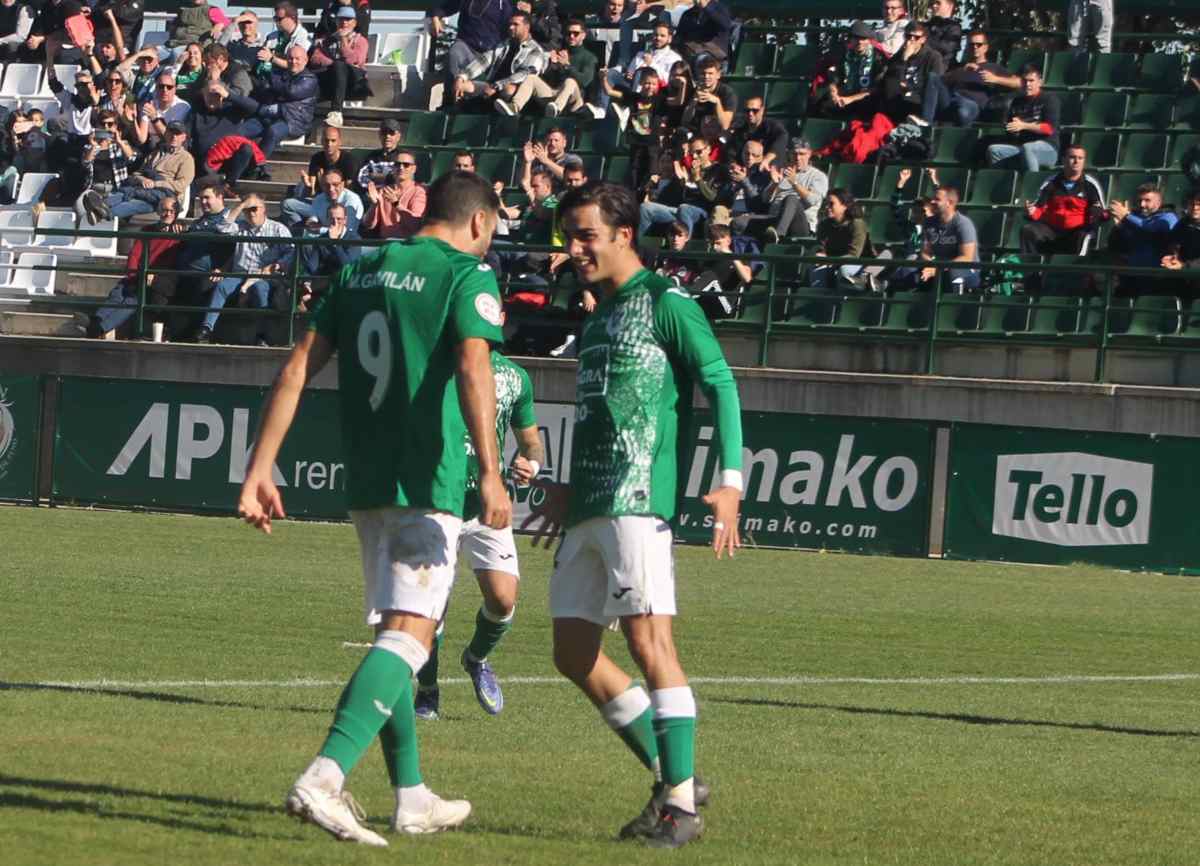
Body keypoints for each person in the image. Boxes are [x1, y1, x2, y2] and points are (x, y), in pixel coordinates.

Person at [237, 170, 509, 846]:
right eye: (494, 232)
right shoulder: (465, 275)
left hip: (368, 485)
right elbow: (476, 369)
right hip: (429, 483)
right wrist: (493, 472)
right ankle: (325, 776)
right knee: (411, 637)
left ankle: (411, 795)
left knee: (399, 630)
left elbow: (298, 366)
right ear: (478, 223)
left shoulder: (358, 273)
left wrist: (260, 465)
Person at [532, 180, 742, 850]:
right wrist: (565, 487)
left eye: (587, 234)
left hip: (637, 497)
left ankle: (680, 808)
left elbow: (721, 383)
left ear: (625, 233)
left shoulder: (665, 302)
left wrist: (729, 481)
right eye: (570, 235)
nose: (575, 248)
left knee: (650, 647)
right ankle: (670, 775)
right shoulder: (598, 315)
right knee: (573, 653)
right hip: (590, 502)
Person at [414, 349, 543, 720]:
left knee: (503, 600)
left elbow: (531, 440)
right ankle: (427, 692)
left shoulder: (514, 376)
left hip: (489, 502)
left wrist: (530, 462)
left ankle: (476, 658)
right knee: (432, 607)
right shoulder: (435, 364)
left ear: (501, 320)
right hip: (439, 501)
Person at [196, 193, 293, 345]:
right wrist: (241, 206)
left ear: (264, 209)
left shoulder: (278, 228)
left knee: (260, 289)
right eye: (248, 209)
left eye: (254, 208)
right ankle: (206, 328)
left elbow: (290, 252)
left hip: (263, 276)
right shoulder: (240, 225)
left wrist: (278, 265)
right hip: (239, 274)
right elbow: (222, 227)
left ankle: (261, 334)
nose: (251, 212)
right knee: (221, 286)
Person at [87, 195, 183, 340]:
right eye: (164, 210)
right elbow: (134, 255)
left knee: (132, 301)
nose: (168, 214)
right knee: (117, 293)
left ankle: (98, 328)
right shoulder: (147, 230)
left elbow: (171, 262)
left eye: (171, 211)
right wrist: (133, 276)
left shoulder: (179, 233)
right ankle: (96, 321)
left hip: (155, 282)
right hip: (137, 276)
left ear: (176, 213)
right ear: (158, 211)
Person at [1019, 145, 1107, 259]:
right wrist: (1031, 211)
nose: (1076, 161)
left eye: (1080, 158)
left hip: (1077, 231)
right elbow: (1039, 209)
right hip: (1052, 230)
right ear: (1064, 160)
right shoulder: (1051, 182)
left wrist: (1099, 213)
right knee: (1028, 231)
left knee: (1083, 236)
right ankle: (1032, 272)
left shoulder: (1090, 185)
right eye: (1072, 157)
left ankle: (1074, 274)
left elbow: (1103, 213)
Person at [496, 15, 591, 117]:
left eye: (575, 34)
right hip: (553, 97)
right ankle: (514, 107)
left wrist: (567, 66)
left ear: (583, 35)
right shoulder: (559, 51)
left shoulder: (589, 57)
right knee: (531, 77)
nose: (571, 36)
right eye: (568, 33)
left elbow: (585, 81)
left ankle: (556, 108)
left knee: (570, 81)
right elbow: (548, 78)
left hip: (574, 101)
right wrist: (551, 64)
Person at [455, 11, 546, 112]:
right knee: (462, 86)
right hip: (491, 85)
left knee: (508, 90)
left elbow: (525, 73)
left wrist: (497, 86)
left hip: (512, 89)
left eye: (516, 24)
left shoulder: (535, 50)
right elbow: (483, 61)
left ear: (527, 27)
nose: (511, 27)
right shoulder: (503, 45)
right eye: (510, 24)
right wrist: (462, 77)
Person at [638, 136, 724, 239]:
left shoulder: (718, 170)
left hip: (702, 211)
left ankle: (683, 249)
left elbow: (713, 198)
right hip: (680, 210)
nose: (695, 156)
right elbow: (673, 199)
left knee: (684, 208)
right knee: (645, 208)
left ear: (708, 149)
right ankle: (638, 247)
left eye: (699, 152)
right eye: (692, 153)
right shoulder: (687, 170)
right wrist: (679, 183)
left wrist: (698, 180)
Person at [106, 121, 195, 219]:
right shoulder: (154, 154)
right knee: (122, 194)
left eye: (178, 134)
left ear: (184, 137)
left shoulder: (186, 158)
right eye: (171, 132)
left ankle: (103, 213)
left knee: (132, 203)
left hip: (164, 198)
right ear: (166, 134)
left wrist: (156, 183)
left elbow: (181, 185)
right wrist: (142, 180)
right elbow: (137, 173)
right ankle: (98, 207)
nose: (174, 136)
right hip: (143, 189)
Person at [428, 0, 513, 102]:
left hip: (490, 55)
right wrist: (435, 18)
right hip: (466, 46)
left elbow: (517, 23)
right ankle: (450, 100)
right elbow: (444, 7)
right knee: (454, 53)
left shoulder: (504, 5)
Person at [244, 44, 318, 157]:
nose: (293, 61)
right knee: (242, 130)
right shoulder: (282, 75)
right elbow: (270, 91)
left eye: (297, 58)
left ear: (306, 60)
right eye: (290, 58)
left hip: (294, 121)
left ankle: (256, 165)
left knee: (273, 132)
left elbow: (291, 92)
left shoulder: (309, 79)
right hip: (272, 116)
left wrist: (273, 80)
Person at [985, 65, 1060, 173]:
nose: (1028, 84)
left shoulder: (1049, 99)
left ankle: (1032, 185)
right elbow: (1013, 130)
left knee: (1028, 148)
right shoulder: (1016, 101)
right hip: (1022, 147)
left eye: (1031, 81)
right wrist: (1011, 128)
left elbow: (1049, 129)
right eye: (1025, 81)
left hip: (1047, 148)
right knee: (994, 150)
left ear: (1040, 82)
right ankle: (1004, 186)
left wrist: (1024, 125)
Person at [936, 30, 1020, 127]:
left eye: (978, 44)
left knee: (962, 110)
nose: (975, 47)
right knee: (932, 78)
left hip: (972, 105)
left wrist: (995, 79)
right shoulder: (959, 67)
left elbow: (1019, 82)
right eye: (971, 45)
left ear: (985, 47)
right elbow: (939, 82)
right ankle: (926, 124)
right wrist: (961, 71)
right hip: (950, 100)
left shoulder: (993, 68)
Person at [308, 5, 371, 127]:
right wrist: (334, 64)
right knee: (316, 72)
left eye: (348, 19)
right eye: (341, 19)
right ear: (336, 21)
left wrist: (343, 41)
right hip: (331, 80)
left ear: (354, 23)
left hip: (354, 82)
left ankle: (336, 112)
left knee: (340, 66)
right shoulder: (327, 39)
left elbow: (354, 60)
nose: (344, 22)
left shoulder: (361, 40)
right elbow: (315, 58)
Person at [813, 20, 887, 120]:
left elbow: (877, 88)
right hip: (845, 95)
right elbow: (835, 79)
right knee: (819, 104)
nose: (860, 42)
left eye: (863, 38)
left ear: (869, 40)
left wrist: (850, 99)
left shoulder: (879, 58)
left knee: (868, 107)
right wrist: (833, 93)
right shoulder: (844, 55)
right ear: (850, 39)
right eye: (856, 38)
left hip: (866, 98)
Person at [878, 21, 944, 127]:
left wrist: (909, 87)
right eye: (908, 36)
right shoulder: (898, 57)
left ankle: (925, 123)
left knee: (932, 78)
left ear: (923, 39)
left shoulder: (933, 57)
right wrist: (904, 60)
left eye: (916, 37)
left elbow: (935, 85)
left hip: (921, 101)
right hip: (900, 100)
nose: (911, 40)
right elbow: (891, 81)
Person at [914, 186, 979, 291]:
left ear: (949, 203)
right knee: (908, 272)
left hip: (965, 269)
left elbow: (966, 257)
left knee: (952, 275)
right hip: (938, 266)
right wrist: (931, 265)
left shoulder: (962, 224)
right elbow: (925, 252)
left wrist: (937, 269)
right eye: (933, 198)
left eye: (937, 199)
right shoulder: (929, 222)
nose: (933, 201)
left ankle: (954, 306)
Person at [763, 139, 828, 242]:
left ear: (809, 154)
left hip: (801, 223)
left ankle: (778, 235)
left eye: (802, 154)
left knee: (791, 199)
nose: (797, 158)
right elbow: (765, 199)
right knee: (739, 223)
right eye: (794, 154)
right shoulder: (782, 171)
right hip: (774, 218)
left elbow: (813, 200)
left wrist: (794, 183)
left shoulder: (818, 176)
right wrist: (774, 184)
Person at [811, 188, 875, 288]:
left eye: (831, 204)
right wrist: (818, 255)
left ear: (845, 206)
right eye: (826, 204)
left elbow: (854, 255)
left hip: (859, 264)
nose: (827, 207)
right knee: (816, 271)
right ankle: (820, 302)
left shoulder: (857, 224)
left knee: (845, 270)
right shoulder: (824, 225)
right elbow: (820, 248)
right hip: (833, 262)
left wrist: (829, 260)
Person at [1108, 184, 1179, 273]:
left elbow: (1151, 229)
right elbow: (1115, 245)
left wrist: (1126, 216)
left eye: (1147, 200)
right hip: (1133, 273)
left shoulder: (1168, 216)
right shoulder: (1134, 218)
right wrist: (1119, 227)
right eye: (1140, 200)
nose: (1142, 204)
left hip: (1158, 275)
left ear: (1159, 202)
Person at [362, 153, 427, 239]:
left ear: (414, 169)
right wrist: (374, 204)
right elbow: (368, 225)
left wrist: (396, 204)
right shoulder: (383, 191)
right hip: (384, 242)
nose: (401, 167)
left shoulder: (419, 191)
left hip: (407, 244)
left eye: (406, 165)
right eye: (397, 164)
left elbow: (415, 225)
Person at [283, 168, 365, 232]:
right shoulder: (319, 199)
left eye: (335, 184)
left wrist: (320, 228)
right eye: (326, 185)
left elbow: (346, 230)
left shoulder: (352, 200)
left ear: (342, 184)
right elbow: (313, 219)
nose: (331, 189)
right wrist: (311, 223)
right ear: (322, 185)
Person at [729, 94, 788, 170]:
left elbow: (782, 137)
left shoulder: (772, 127)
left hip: (767, 172)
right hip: (744, 173)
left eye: (755, 110)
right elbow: (730, 153)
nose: (750, 113)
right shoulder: (739, 131)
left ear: (762, 110)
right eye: (747, 110)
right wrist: (733, 165)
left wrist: (767, 159)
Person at [133, 72, 191, 149]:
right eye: (161, 86)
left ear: (175, 90)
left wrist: (154, 118)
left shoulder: (183, 107)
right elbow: (142, 139)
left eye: (169, 87)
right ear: (156, 88)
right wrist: (132, 120)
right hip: (152, 148)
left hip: (172, 149)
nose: (165, 90)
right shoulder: (149, 104)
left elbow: (172, 139)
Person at [257, 1, 311, 76]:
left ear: (292, 18)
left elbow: (296, 65)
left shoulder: (303, 37)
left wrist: (272, 58)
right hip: (264, 77)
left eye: (279, 19)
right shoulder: (272, 36)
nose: (276, 22)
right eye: (275, 18)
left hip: (287, 79)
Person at [673, 0, 732, 67]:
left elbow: (725, 25)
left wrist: (706, 7)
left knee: (699, 58)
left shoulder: (719, 8)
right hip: (691, 50)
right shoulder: (688, 13)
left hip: (715, 52)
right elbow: (679, 35)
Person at [686, 56, 736, 134]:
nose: (706, 77)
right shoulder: (694, 91)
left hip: (719, 134)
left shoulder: (727, 93)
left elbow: (725, 125)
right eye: (703, 73)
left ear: (718, 75)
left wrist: (717, 102)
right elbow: (685, 121)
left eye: (710, 73)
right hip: (698, 134)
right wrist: (693, 102)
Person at [355, 118, 404, 191]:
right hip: (372, 194)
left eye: (391, 133)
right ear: (380, 135)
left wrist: (375, 176)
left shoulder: (403, 157)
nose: (387, 136)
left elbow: (404, 180)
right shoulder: (372, 157)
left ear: (398, 136)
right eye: (384, 132)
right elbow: (361, 177)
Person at [924, 0, 962, 68]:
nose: (934, 6)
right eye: (933, 3)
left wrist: (922, 41)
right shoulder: (928, 25)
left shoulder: (954, 27)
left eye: (938, 3)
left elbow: (946, 48)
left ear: (950, 6)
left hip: (943, 69)